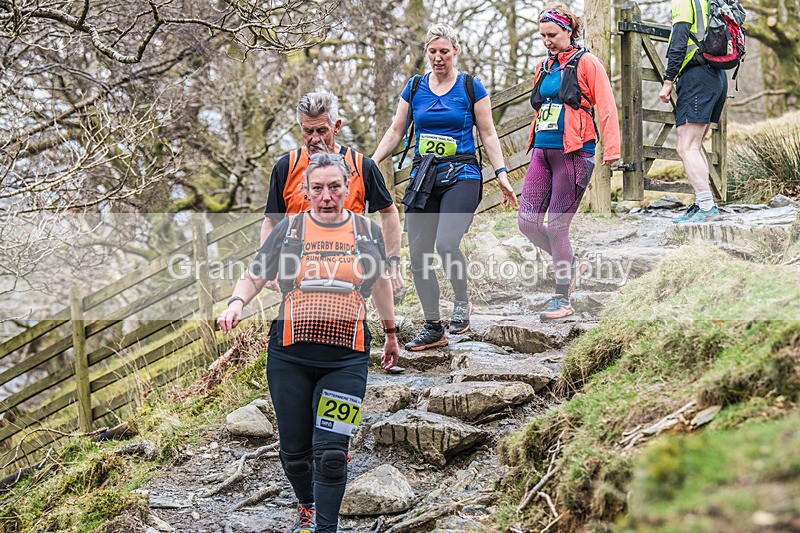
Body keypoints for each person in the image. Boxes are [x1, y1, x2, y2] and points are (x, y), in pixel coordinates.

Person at [219, 153, 400, 533]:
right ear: (305, 190)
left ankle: (325, 528)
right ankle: (306, 503)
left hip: (347, 360)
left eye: (334, 187)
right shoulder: (290, 230)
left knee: (332, 455)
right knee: (295, 455)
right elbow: (254, 275)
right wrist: (236, 303)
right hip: (289, 358)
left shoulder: (366, 232)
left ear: (348, 188)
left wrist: (390, 333)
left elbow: (382, 283)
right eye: (317, 188)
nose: (326, 196)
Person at [372, 23, 518, 351]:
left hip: (462, 174)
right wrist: (371, 161)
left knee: (447, 243)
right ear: (426, 52)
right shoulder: (414, 87)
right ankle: (433, 326)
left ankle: (462, 302)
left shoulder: (470, 86)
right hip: (424, 178)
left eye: (444, 52)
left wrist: (501, 173)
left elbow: (488, 133)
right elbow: (396, 131)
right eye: (433, 52)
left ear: (455, 52)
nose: (438, 58)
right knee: (419, 256)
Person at [519, 3, 620, 320]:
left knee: (557, 226)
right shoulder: (543, 67)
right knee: (527, 222)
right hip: (542, 152)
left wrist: (612, 150)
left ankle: (562, 298)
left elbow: (607, 106)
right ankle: (571, 263)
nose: (546, 41)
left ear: (568, 31)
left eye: (552, 34)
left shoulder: (588, 62)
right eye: (542, 35)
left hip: (575, 153)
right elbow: (541, 108)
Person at [261, 91, 404, 293]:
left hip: (350, 272)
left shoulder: (362, 166)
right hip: (298, 274)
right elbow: (271, 220)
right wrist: (268, 265)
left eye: (321, 130)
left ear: (336, 127)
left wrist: (392, 264)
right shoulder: (287, 166)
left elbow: (389, 213)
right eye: (308, 131)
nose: (314, 138)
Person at [660, 0, 726, 223]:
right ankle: (703, 203)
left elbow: (679, 40)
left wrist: (668, 80)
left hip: (697, 76)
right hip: (717, 77)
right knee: (694, 145)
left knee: (686, 147)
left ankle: (707, 207)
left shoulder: (684, 1)